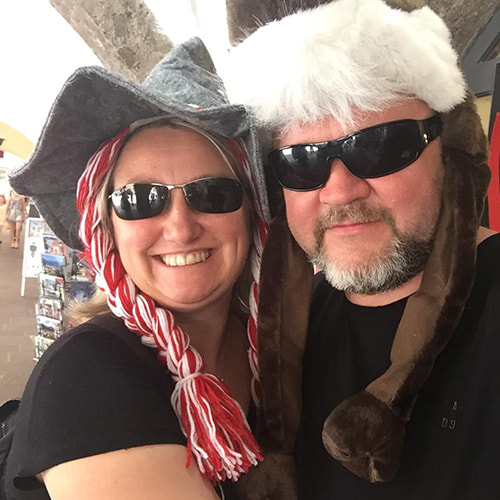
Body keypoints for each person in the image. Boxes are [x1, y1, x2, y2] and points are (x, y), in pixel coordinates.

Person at [224, 0, 500, 498]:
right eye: (301, 162)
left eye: (379, 146)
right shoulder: (277, 338)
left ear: (452, 150)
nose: (340, 191)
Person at [6, 37, 271, 500]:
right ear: (105, 226)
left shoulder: (273, 348)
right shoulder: (85, 377)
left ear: (251, 214)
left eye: (211, 194)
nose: (181, 227)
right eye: (139, 200)